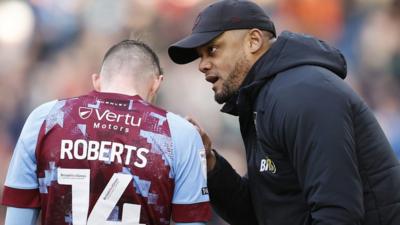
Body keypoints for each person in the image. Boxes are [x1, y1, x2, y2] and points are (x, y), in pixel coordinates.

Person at [168, 0, 400, 225]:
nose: (202, 65)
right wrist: (211, 165)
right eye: (201, 56)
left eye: (212, 49)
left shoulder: (303, 92)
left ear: (254, 41)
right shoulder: (263, 98)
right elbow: (263, 212)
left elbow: (338, 214)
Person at [2, 40, 211, 225]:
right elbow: (191, 220)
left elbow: (18, 215)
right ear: (156, 83)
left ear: (97, 80)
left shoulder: (46, 118)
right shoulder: (179, 134)